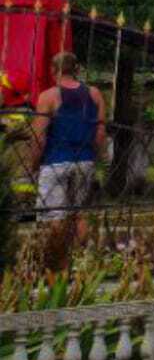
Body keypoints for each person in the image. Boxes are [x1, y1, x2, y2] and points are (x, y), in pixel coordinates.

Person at [28, 53, 105, 229]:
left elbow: (38, 135)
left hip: (55, 161)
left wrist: (33, 164)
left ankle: (57, 255)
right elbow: (100, 133)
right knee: (80, 213)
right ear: (76, 69)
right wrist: (97, 159)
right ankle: (79, 254)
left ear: (53, 70)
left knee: (54, 215)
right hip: (85, 160)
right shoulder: (94, 94)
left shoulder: (48, 96)